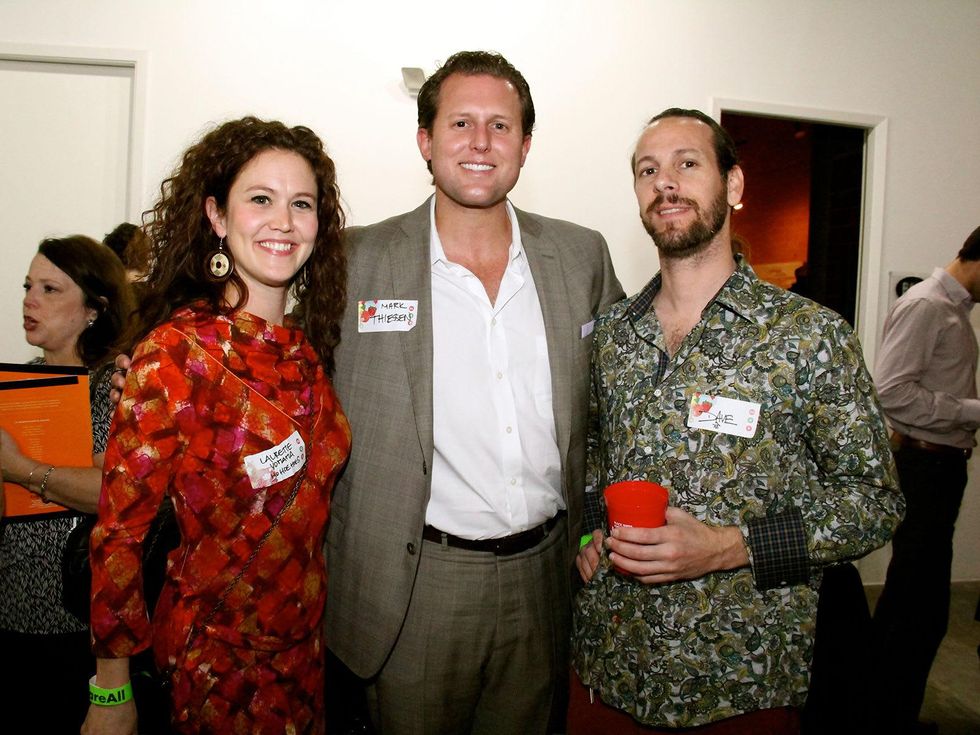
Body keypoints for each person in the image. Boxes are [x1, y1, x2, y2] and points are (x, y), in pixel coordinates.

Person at [571, 108, 904, 732]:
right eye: (649, 170)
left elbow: (875, 501)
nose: (665, 182)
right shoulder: (612, 335)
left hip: (740, 679)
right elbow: (593, 455)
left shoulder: (809, 337)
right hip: (608, 666)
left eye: (687, 164)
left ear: (735, 185)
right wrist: (590, 534)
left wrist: (729, 547)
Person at [324, 51, 623, 734]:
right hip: (416, 585)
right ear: (426, 140)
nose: (481, 143)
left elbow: (619, 404)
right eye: (460, 122)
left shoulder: (581, 257)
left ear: (525, 144)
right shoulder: (354, 260)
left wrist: (598, 516)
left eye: (500, 125)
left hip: (547, 577)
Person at [82, 116, 351, 735]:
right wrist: (110, 692)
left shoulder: (305, 352)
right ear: (217, 216)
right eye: (261, 199)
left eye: (301, 204)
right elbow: (119, 535)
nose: (283, 221)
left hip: (305, 656)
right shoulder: (175, 355)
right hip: (215, 668)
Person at [0, 235, 134, 733]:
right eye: (28, 286)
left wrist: (20, 470)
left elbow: (115, 493)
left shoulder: (113, 387)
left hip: (78, 628)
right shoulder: (21, 380)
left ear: (94, 310)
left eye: (51, 289)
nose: (29, 300)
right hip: (11, 609)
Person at [871, 225, 980, 735]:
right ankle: (887, 717)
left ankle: (889, 713)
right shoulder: (928, 305)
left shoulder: (949, 309)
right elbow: (891, 393)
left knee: (914, 603)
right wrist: (972, 410)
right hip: (924, 467)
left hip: (937, 465)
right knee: (917, 606)